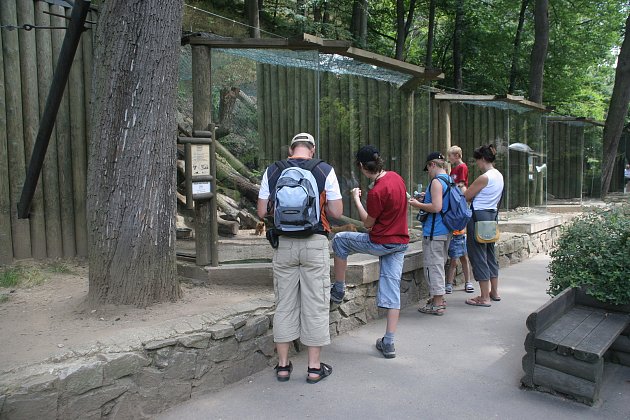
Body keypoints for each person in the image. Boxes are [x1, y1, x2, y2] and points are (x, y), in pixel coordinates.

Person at [257, 132, 343, 383]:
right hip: (314, 244)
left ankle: (283, 366)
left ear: (291, 150)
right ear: (312, 149)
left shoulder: (273, 171)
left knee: (284, 303)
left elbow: (263, 211)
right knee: (315, 304)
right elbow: (336, 212)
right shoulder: (324, 170)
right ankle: (314, 368)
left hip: (284, 245)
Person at [331, 145, 409, 359]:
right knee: (392, 291)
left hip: (381, 242)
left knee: (340, 240)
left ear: (361, 167)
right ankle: (389, 342)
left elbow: (368, 224)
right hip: (399, 243)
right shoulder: (396, 178)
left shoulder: (376, 192)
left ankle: (338, 289)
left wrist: (356, 198)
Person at [408, 152, 451, 316]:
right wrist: (427, 197)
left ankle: (437, 304)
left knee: (434, 266)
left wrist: (417, 204)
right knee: (440, 264)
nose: (428, 172)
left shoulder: (436, 182)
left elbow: (436, 207)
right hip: (446, 230)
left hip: (435, 230)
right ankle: (438, 299)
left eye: (428, 168)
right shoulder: (449, 179)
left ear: (432, 164)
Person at [464, 144, 504, 307]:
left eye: (477, 161)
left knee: (478, 255)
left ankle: (483, 297)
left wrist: (462, 189)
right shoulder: (499, 175)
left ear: (482, 159)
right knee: (489, 254)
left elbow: (467, 196)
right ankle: (494, 292)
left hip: (478, 217)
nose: (477, 164)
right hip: (491, 216)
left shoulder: (485, 177)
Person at [445, 146, 473, 294]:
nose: (449, 159)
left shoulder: (462, 167)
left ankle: (467, 281)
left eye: (450, 156)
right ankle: (453, 283)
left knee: (462, 256)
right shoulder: (455, 169)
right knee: (457, 257)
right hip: (455, 203)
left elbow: (461, 185)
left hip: (459, 202)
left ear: (456, 155)